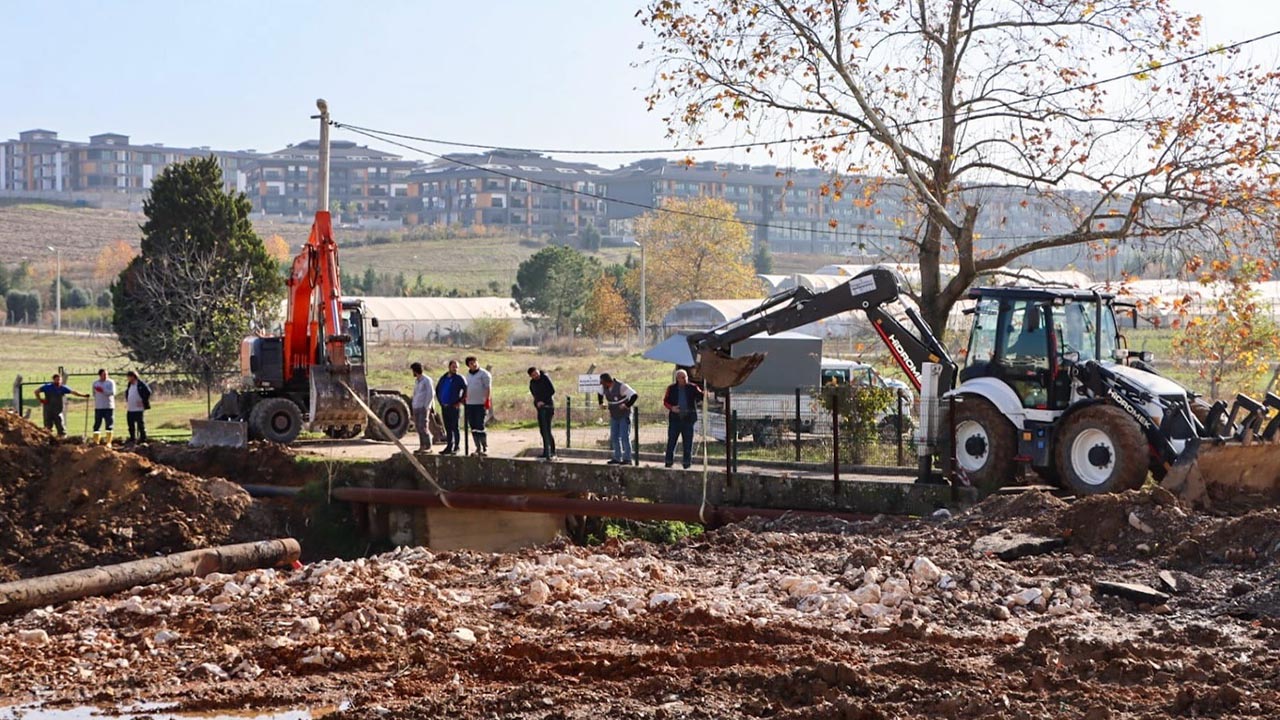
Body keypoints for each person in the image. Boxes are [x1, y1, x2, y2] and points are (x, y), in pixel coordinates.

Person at [663, 369, 705, 469]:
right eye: (682, 377)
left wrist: (706, 394)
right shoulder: (671, 388)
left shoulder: (692, 387)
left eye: (686, 377)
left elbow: (701, 395)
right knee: (672, 441)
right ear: (677, 378)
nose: (685, 379)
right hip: (675, 420)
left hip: (688, 420)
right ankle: (668, 462)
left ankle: (687, 463)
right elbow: (665, 401)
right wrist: (672, 408)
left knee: (688, 443)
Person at [598, 373, 638, 465]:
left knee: (624, 436)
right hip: (614, 415)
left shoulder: (622, 386)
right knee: (614, 436)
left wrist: (626, 405)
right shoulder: (604, 388)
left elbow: (634, 395)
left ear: (607, 382)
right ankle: (617, 457)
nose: (601, 385)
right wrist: (601, 403)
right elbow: (600, 393)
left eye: (602, 382)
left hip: (624, 415)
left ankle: (627, 459)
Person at [34, 373, 87, 438]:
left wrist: (83, 395)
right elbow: (36, 391)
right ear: (53, 380)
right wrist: (40, 400)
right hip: (48, 410)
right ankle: (47, 441)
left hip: (58, 411)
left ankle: (62, 440)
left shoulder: (62, 388)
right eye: (57, 380)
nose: (58, 381)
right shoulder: (47, 387)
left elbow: (73, 392)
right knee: (47, 427)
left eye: (59, 380)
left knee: (61, 427)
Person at [435, 359, 467, 455]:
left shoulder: (459, 378)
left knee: (455, 427)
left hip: (454, 407)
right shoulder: (443, 378)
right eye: (453, 367)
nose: (455, 369)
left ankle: (456, 447)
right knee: (448, 428)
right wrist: (440, 401)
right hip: (445, 407)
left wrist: (460, 402)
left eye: (457, 367)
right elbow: (437, 389)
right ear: (449, 367)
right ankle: (449, 446)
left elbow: (466, 390)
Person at [464, 356, 492, 456]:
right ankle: (478, 447)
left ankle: (485, 447)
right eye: (471, 363)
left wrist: (487, 401)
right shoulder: (467, 375)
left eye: (475, 362)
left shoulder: (484, 374)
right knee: (473, 426)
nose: (474, 364)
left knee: (480, 425)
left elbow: (488, 388)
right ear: (468, 365)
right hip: (470, 404)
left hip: (480, 404)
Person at [527, 366, 556, 460]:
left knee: (547, 429)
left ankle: (552, 451)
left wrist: (543, 401)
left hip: (548, 406)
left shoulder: (545, 378)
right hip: (540, 408)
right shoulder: (532, 383)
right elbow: (534, 395)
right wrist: (537, 402)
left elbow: (551, 391)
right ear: (531, 376)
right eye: (533, 375)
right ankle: (545, 451)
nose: (536, 375)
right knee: (542, 430)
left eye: (536, 373)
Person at [409, 362, 435, 452]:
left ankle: (428, 446)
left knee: (423, 427)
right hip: (416, 406)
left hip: (423, 407)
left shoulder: (427, 380)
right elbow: (416, 394)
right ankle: (422, 446)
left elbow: (431, 394)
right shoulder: (417, 381)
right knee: (418, 427)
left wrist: (427, 406)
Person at [122, 371, 152, 444]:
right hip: (130, 408)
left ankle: (143, 438)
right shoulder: (130, 384)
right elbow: (128, 393)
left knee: (140, 424)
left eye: (129, 377)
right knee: (130, 424)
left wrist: (143, 401)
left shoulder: (140, 384)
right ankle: (132, 438)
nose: (128, 378)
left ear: (133, 376)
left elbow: (148, 392)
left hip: (138, 409)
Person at [91, 368, 117, 446]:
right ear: (100, 375)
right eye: (103, 374)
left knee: (109, 424)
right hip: (99, 407)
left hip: (108, 406)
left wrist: (103, 390)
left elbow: (112, 392)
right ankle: (96, 441)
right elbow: (94, 393)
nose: (105, 376)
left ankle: (109, 442)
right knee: (97, 424)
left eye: (106, 374)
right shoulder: (95, 383)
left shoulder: (110, 382)